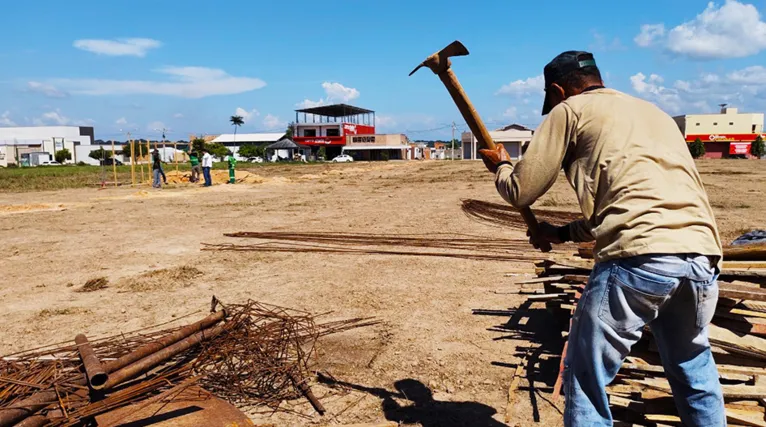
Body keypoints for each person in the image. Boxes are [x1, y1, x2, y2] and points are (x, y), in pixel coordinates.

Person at [479, 51, 724, 426]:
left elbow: (521, 190)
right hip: (701, 257)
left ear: (559, 90)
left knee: (586, 375)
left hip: (638, 260)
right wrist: (559, 233)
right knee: (693, 370)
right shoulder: (653, 113)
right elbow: (627, 203)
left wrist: (502, 168)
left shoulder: (569, 110)